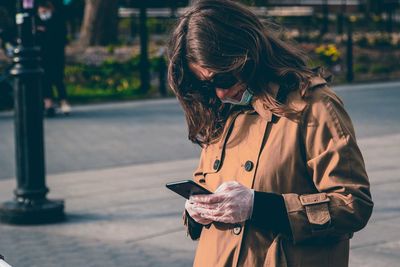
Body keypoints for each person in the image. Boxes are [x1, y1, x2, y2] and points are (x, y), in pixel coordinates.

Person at [167, 0, 373, 266]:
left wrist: (259, 206)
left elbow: (352, 205)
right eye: (205, 85)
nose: (220, 93)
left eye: (224, 78)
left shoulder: (313, 106)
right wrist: (197, 211)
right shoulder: (221, 109)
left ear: (248, 55)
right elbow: (207, 184)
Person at [37, 0, 71, 116]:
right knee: (45, 80)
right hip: (42, 56)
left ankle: (63, 102)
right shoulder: (37, 22)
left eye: (45, 10)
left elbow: (62, 37)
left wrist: (46, 31)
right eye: (41, 11)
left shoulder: (57, 20)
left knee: (58, 79)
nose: (43, 13)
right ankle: (48, 104)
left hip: (56, 55)